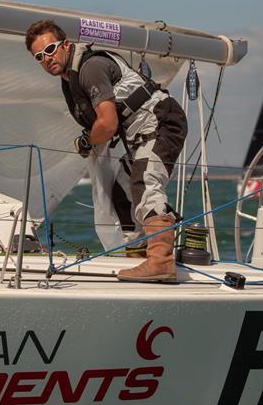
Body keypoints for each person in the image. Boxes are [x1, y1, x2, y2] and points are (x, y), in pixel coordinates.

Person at [25, 19, 187, 282]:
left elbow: (108, 124)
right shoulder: (70, 80)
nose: (47, 59)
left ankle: (161, 261)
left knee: (145, 182)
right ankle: (138, 255)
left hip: (161, 121)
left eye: (51, 49)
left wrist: (88, 140)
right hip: (138, 134)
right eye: (39, 56)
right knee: (120, 188)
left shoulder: (90, 67)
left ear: (66, 45)